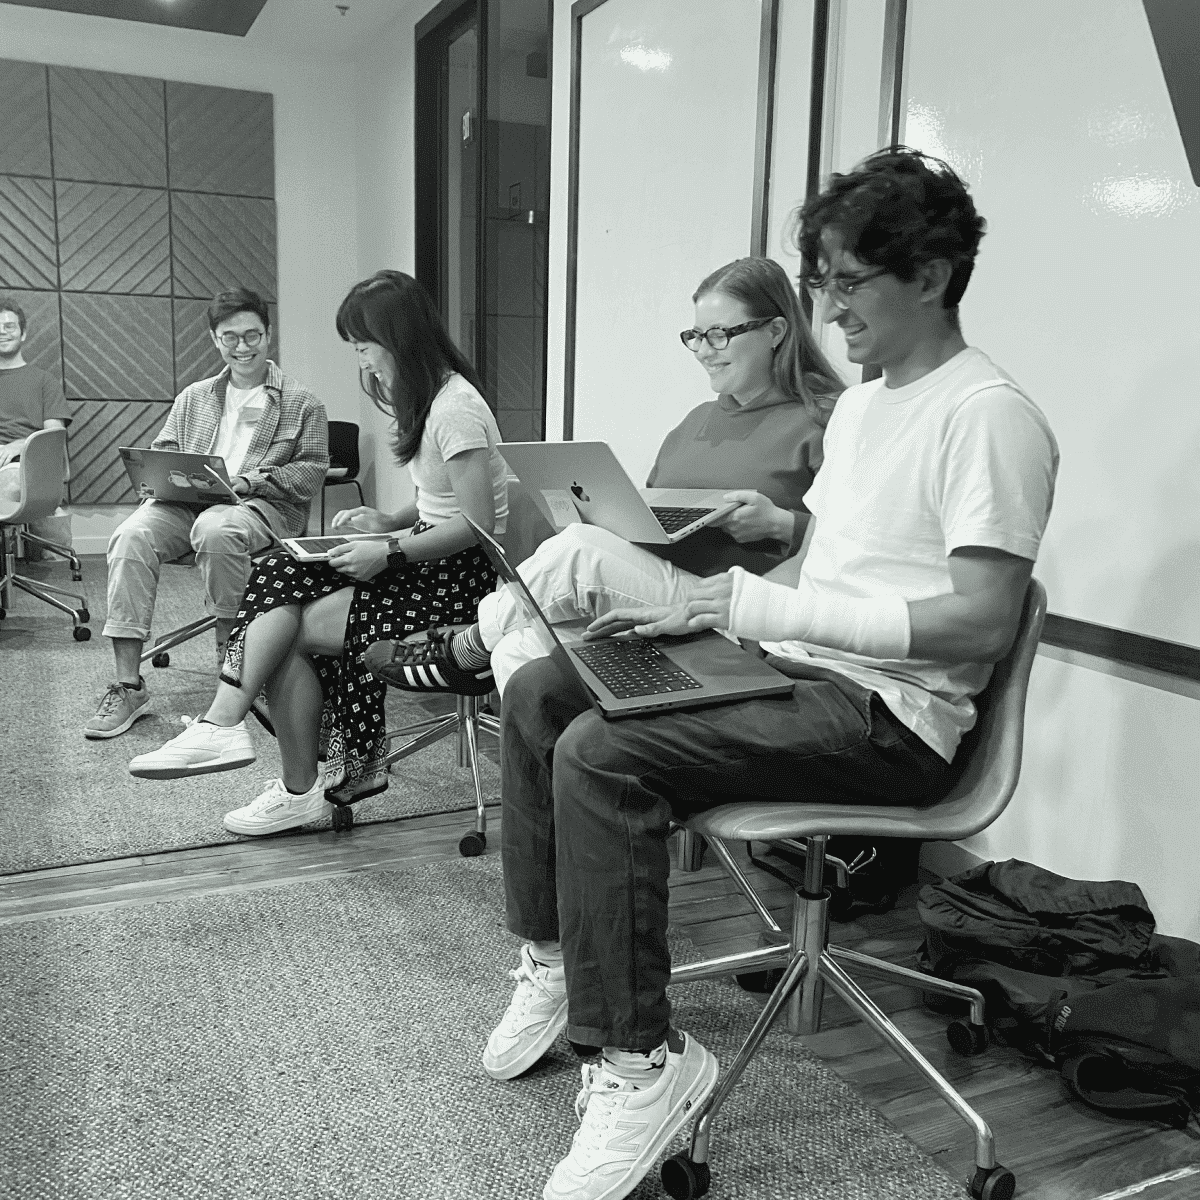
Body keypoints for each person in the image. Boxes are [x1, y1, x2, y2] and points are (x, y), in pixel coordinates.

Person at [478, 148, 1059, 1200]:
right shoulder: (877, 404)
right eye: (820, 281)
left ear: (928, 273)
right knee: (541, 691)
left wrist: (757, 604)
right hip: (798, 672)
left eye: (847, 281)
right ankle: (556, 961)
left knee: (604, 754)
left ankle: (642, 1065)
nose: (828, 309)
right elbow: (863, 558)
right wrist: (783, 530)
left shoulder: (990, 415)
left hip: (891, 722)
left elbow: (977, 623)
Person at [126, 270, 508, 838]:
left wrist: (389, 550)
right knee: (280, 572)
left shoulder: (456, 409)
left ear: (397, 339)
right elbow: (439, 502)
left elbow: (478, 528)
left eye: (364, 348)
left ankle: (274, 770)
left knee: (289, 629)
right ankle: (231, 729)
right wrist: (388, 521)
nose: (365, 363)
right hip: (422, 556)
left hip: (456, 580)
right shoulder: (430, 399)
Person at [366, 256, 844, 698]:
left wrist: (783, 524)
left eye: (719, 334)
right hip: (659, 586)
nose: (703, 351)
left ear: (776, 330)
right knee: (519, 651)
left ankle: (465, 648)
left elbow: (854, 553)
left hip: (732, 604)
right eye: (695, 336)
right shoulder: (694, 423)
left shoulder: (825, 420)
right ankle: (542, 781)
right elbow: (652, 527)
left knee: (578, 551)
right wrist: (603, 514)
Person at [84, 288, 328, 739]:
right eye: (230, 337)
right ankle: (127, 684)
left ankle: (235, 673)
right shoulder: (194, 396)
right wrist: (168, 474)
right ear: (215, 340)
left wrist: (249, 481)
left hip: (259, 506)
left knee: (218, 529)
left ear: (268, 334)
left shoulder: (302, 402)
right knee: (130, 535)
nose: (242, 346)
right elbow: (164, 451)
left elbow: (311, 473)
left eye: (252, 335)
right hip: (186, 504)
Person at [0, 296, 72, 546]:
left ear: (22, 333)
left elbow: (54, 435)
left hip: (25, 467)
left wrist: (17, 446)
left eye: (9, 326)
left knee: (9, 483)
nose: (2, 332)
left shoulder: (44, 381)